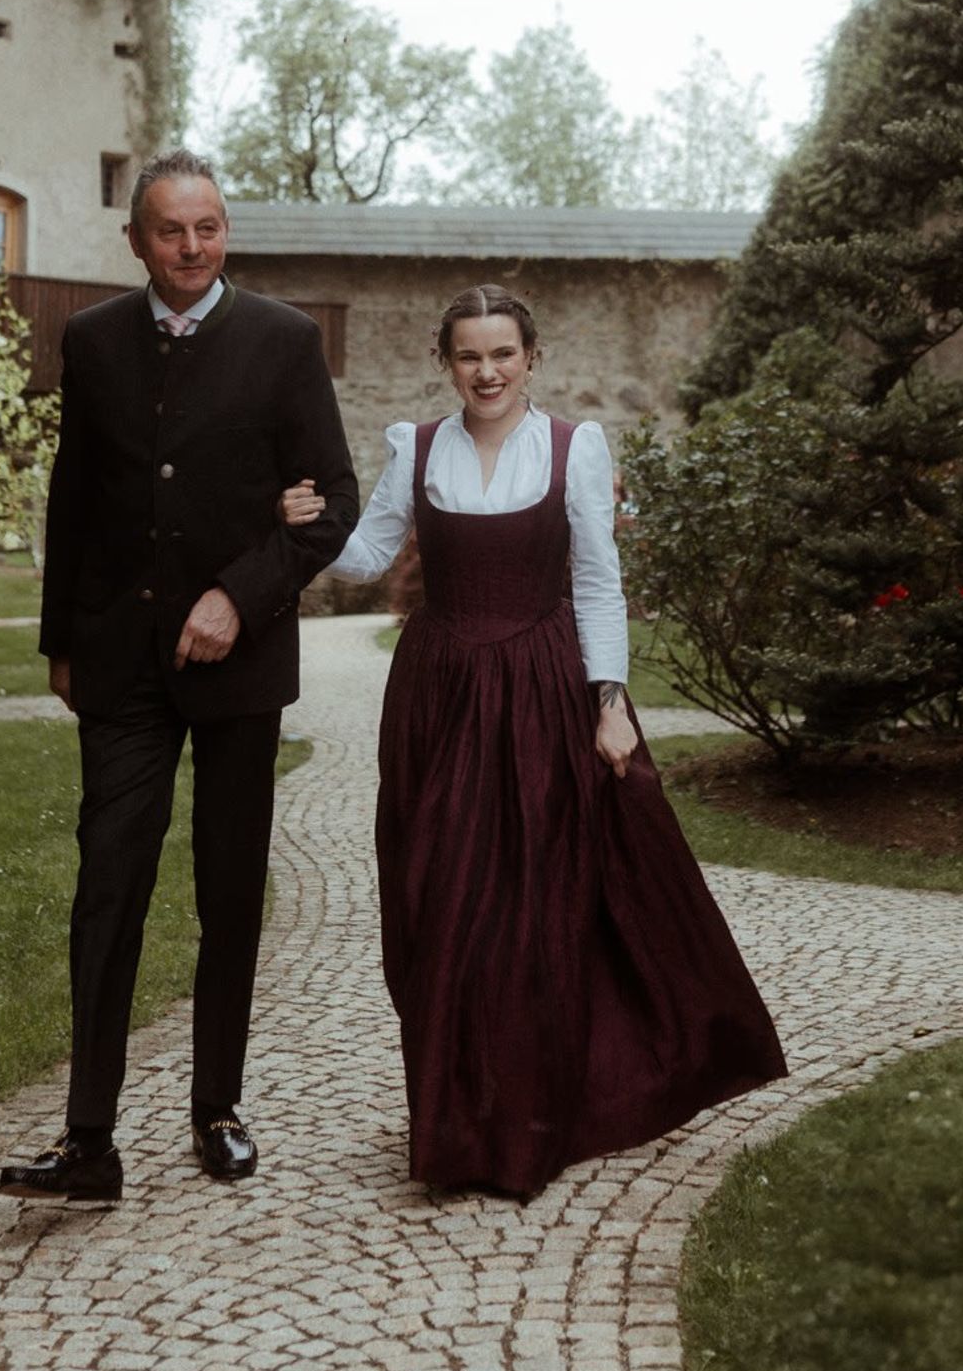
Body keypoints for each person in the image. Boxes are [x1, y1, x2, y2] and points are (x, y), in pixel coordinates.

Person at [282, 282, 785, 1199]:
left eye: (503, 353)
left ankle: (522, 1124)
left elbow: (596, 580)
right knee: (437, 895)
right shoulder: (416, 447)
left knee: (533, 902)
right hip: (438, 692)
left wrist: (610, 701)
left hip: (541, 689)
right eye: (469, 355)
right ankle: (456, 1120)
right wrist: (310, 524)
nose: (487, 371)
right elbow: (365, 557)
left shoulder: (572, 446)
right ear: (446, 361)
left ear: (531, 357)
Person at [0, 150, 356, 1206]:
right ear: (137, 241)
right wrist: (62, 642)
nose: (192, 247)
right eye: (170, 230)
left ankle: (218, 1109)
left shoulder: (286, 342)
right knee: (108, 884)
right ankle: (89, 1141)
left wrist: (238, 596)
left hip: (241, 663)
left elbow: (332, 503)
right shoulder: (93, 340)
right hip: (122, 662)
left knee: (229, 888)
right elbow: (73, 496)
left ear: (225, 231)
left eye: (207, 227)